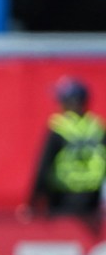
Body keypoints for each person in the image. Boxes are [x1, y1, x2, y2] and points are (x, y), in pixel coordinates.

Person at [21, 76, 105, 234]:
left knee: (66, 241)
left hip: (62, 200)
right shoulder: (98, 127)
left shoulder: (59, 127)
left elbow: (43, 167)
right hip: (92, 202)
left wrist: (32, 202)